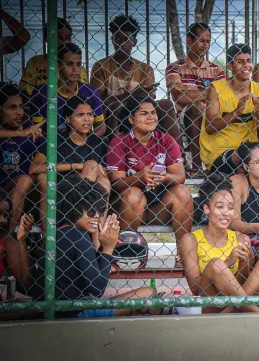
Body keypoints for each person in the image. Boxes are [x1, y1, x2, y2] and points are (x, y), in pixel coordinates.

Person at [6, 176, 157, 318]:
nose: (97, 216)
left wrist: (22, 241)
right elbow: (97, 288)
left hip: (50, 310)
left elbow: (29, 285)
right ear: (74, 207)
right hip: (75, 314)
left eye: (100, 211)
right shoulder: (78, 236)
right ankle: (159, 310)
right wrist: (108, 249)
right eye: (91, 211)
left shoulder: (58, 233)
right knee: (147, 291)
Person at [106, 96, 193, 267]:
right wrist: (139, 177)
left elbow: (180, 176)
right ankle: (127, 254)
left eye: (153, 113)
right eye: (144, 113)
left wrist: (163, 177)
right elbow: (116, 183)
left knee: (183, 192)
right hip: (127, 207)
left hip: (157, 208)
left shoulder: (166, 140)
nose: (151, 117)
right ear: (131, 119)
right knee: (134, 194)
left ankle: (183, 256)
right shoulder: (120, 141)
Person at [181, 174, 259, 313]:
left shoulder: (241, 238)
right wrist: (228, 262)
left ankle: (231, 311)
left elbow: (242, 284)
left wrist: (244, 262)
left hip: (237, 305)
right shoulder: (190, 240)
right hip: (212, 305)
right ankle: (258, 314)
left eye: (231, 207)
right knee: (216, 264)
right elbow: (196, 288)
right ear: (207, 209)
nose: (226, 213)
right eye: (220, 207)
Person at [91, 15, 178, 142]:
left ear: (134, 42)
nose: (121, 44)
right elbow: (97, 101)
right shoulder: (101, 66)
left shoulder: (145, 68)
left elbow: (150, 97)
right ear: (112, 40)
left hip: (141, 109)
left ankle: (177, 151)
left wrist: (130, 96)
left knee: (167, 104)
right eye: (117, 39)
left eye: (126, 39)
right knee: (117, 106)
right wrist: (132, 95)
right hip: (113, 111)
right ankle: (114, 150)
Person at [31, 96, 110, 231]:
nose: (87, 119)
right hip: (60, 191)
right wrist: (75, 166)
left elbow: (104, 173)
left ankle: (96, 241)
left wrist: (91, 169)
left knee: (100, 176)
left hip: (90, 196)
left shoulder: (98, 142)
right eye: (80, 115)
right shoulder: (56, 141)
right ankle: (52, 235)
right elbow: (34, 168)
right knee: (90, 165)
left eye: (90, 114)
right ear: (68, 119)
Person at [165, 22, 225, 173]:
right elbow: (180, 97)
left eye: (208, 41)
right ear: (189, 40)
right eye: (201, 41)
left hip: (213, 113)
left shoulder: (216, 69)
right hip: (183, 117)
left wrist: (192, 92)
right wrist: (210, 91)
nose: (205, 45)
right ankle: (197, 164)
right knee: (195, 107)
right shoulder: (174, 68)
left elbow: (224, 95)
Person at [199, 44, 259, 174]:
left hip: (249, 150)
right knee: (246, 166)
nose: (246, 65)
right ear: (230, 66)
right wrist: (236, 113)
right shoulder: (216, 88)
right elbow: (210, 128)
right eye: (240, 62)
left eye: (248, 61)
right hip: (219, 151)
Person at [30, 43, 106, 136]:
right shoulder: (41, 93)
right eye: (69, 64)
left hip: (83, 146)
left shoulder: (90, 92)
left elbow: (101, 126)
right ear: (58, 65)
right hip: (52, 146)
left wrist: (86, 142)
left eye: (78, 64)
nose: (75, 69)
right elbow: (37, 129)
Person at [0, 83, 44, 232]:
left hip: (28, 193)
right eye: (12, 108)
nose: (20, 112)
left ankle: (8, 232)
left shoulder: (33, 136)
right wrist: (21, 133)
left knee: (24, 180)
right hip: (2, 190)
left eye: (21, 107)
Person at [19, 17, 87, 95]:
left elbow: (84, 93)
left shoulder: (79, 68)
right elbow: (23, 91)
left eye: (68, 37)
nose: (65, 42)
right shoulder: (36, 62)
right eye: (59, 38)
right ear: (47, 39)